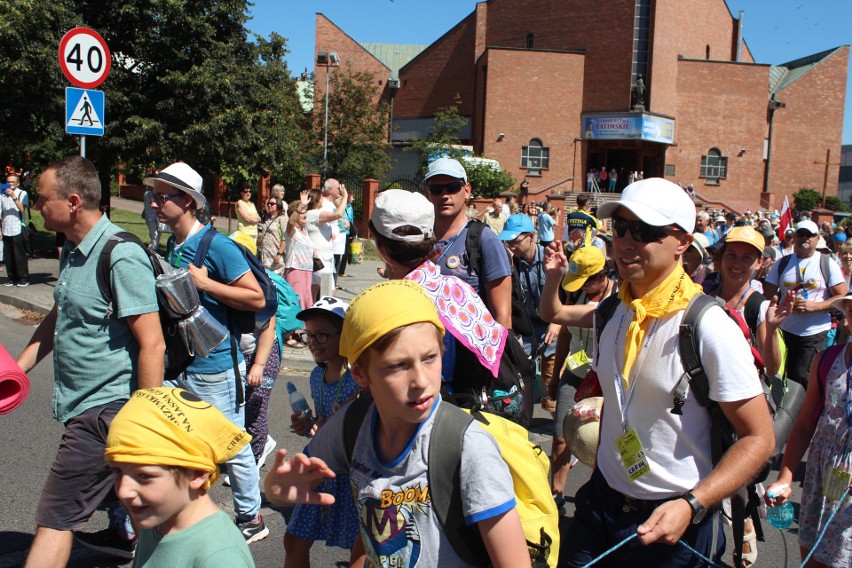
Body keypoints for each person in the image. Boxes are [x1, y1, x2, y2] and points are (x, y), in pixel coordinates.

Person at [560, 178, 775, 566]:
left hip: (672, 522)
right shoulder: (613, 310)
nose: (625, 242)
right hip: (600, 503)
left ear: (683, 243)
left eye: (642, 231)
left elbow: (759, 438)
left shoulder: (708, 325)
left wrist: (694, 504)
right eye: (619, 228)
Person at [264, 279, 531, 567]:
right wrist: (275, 489)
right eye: (398, 366)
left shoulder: (466, 446)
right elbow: (294, 484)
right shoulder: (352, 424)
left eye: (430, 358)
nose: (421, 381)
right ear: (361, 376)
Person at [16, 156, 165, 566]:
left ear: (74, 201)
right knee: (153, 511)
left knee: (56, 516)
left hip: (106, 411)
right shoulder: (74, 250)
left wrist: (145, 423)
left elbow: (151, 344)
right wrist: (19, 366)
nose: (36, 205)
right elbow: (60, 313)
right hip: (84, 405)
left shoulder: (119, 255)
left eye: (42, 198)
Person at [146, 161, 269, 544]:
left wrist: (207, 283)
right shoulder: (172, 243)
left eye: (162, 197)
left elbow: (257, 297)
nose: (153, 203)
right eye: (153, 195)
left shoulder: (217, 246)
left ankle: (251, 517)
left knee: (231, 444)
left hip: (217, 367)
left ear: (187, 202)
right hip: (182, 364)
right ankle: (184, 506)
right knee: (180, 440)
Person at [368, 189, 509, 398]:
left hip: (426, 414)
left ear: (380, 245)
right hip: (468, 409)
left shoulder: (391, 303)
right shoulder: (455, 286)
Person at [105, 387, 256, 567]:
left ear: (197, 473)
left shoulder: (221, 559)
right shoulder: (157, 517)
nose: (123, 491)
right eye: (117, 471)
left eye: (144, 476)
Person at [765, 293, 852, 568]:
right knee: (812, 555)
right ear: (848, 310)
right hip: (821, 476)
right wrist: (785, 477)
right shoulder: (827, 360)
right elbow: (804, 425)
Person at [284, 297, 363, 568]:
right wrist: (308, 424)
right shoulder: (317, 375)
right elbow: (322, 418)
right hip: (319, 465)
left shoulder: (361, 377)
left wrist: (354, 403)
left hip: (353, 470)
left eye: (323, 335)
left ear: (346, 335)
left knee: (361, 549)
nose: (314, 342)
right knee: (294, 539)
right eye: (309, 335)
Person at [542, 243, 617, 508]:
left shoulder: (618, 300)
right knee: (561, 435)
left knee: (600, 442)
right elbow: (564, 330)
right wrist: (555, 375)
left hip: (603, 382)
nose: (583, 286)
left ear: (602, 275)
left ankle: (602, 497)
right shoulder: (578, 296)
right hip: (574, 375)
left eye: (587, 281)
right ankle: (557, 493)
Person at [424, 157, 512, 330]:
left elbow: (503, 316)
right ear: (427, 193)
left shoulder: (484, 239)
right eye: (436, 189)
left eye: (453, 187)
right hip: (426, 349)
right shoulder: (420, 237)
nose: (445, 195)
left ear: (466, 190)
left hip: (470, 351)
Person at [764, 219, 847, 388]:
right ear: (794, 237)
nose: (805, 238)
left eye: (810, 235)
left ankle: (801, 412)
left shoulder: (826, 263)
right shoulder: (783, 262)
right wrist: (781, 304)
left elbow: (842, 296)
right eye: (801, 234)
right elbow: (768, 292)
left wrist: (814, 306)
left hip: (813, 332)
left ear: (817, 239)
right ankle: (781, 409)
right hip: (784, 329)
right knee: (777, 374)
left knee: (801, 378)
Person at [499, 214, 560, 411]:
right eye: (508, 242)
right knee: (521, 373)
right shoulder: (511, 263)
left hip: (553, 326)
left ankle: (556, 422)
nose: (512, 247)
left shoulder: (551, 259)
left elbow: (569, 294)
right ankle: (523, 418)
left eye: (515, 242)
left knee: (552, 376)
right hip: (526, 329)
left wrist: (558, 322)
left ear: (531, 237)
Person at [239, 314, 280, 469]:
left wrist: (259, 364)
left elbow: (269, 327)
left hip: (261, 356)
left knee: (255, 410)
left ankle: (254, 457)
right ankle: (262, 442)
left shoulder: (264, 289)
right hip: (237, 354)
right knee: (239, 410)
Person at [303, 183, 347, 301]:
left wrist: (328, 234)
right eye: (320, 198)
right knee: (329, 291)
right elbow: (338, 214)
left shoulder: (310, 214)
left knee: (314, 289)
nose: (322, 200)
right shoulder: (314, 213)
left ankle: (312, 313)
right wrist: (345, 196)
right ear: (316, 200)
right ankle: (323, 314)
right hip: (322, 261)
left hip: (318, 258)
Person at [2, 174, 29, 285]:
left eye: (13, 182)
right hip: (5, 227)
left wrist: (13, 196)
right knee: (8, 255)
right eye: (8, 181)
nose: (10, 184)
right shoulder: (2, 195)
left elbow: (22, 209)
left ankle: (23, 278)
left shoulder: (22, 193)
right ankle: (11, 277)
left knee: (19, 255)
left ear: (17, 183)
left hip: (17, 227)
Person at [258, 195, 287, 275]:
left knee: (276, 280)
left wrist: (279, 254)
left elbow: (285, 237)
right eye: (268, 204)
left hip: (275, 255)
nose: (269, 205)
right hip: (265, 254)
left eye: (272, 204)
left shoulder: (282, 218)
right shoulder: (267, 218)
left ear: (278, 205)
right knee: (266, 278)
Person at [337, 190, 356, 279]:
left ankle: (341, 271)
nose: (353, 199)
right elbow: (339, 217)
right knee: (339, 252)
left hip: (348, 231)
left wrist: (352, 230)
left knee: (345, 251)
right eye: (352, 197)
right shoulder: (340, 207)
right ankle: (338, 272)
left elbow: (351, 219)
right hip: (341, 231)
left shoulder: (350, 207)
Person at [142, 186, 160, 251]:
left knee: (155, 237)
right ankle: (150, 252)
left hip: (155, 218)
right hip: (151, 219)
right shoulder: (149, 194)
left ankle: (151, 252)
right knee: (155, 239)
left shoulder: (149, 193)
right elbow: (153, 203)